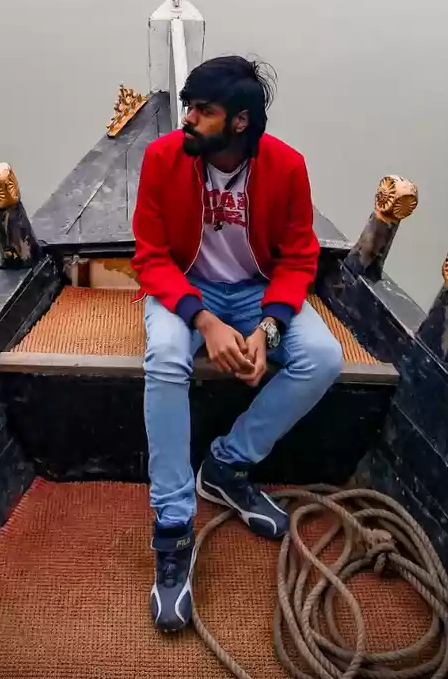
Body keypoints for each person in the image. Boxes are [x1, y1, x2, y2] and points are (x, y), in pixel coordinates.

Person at [132, 55, 344, 632]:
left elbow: (300, 257)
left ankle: (226, 465)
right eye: (189, 105)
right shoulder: (162, 158)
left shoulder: (287, 167)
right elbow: (149, 256)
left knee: (323, 358)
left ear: (241, 122)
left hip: (256, 291)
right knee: (166, 358)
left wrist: (267, 327)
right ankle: (173, 526)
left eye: (204, 110)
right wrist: (204, 321)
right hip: (185, 284)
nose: (189, 119)